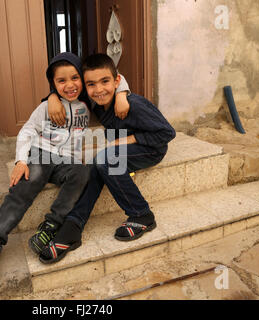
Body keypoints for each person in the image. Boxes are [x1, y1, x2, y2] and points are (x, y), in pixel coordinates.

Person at [0, 52, 130, 279]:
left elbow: (116, 76)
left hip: (66, 161)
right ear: (53, 84)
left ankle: (51, 226)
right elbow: (28, 130)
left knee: (83, 171)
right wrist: (20, 160)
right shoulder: (46, 107)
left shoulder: (87, 103)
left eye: (75, 78)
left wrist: (122, 96)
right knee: (31, 180)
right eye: (61, 81)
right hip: (42, 154)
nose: (69, 85)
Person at [39, 53, 176, 264]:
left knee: (105, 159)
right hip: (120, 145)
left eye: (105, 82)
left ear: (117, 81)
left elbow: (167, 134)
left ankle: (142, 215)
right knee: (97, 166)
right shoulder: (94, 102)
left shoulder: (134, 104)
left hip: (151, 148)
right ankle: (73, 227)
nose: (99, 89)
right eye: (91, 84)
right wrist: (52, 98)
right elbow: (66, 89)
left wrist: (123, 140)